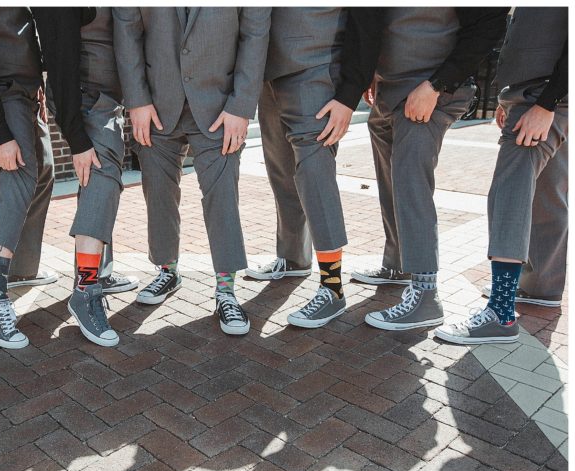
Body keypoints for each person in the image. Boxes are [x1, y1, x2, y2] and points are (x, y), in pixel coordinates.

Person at [113, 8, 271, 336]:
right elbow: (127, 31)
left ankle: (226, 290)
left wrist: (241, 107)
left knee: (222, 195)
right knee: (157, 192)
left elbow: (254, 35)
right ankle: (167, 271)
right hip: (155, 105)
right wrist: (137, 101)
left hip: (220, 108)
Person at [353, 9, 508, 331]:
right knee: (392, 185)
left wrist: (438, 84)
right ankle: (397, 265)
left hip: (429, 94)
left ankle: (426, 297)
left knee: (412, 189)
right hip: (387, 94)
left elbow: (488, 24)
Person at [0, 9, 86, 350]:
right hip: (2, 92)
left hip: (28, 92)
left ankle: (20, 269)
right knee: (19, 175)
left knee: (44, 172)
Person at [437, 8, 568, 344]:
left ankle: (501, 312)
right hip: (536, 94)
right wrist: (508, 97)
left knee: (509, 193)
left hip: (544, 97)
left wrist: (547, 104)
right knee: (546, 192)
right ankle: (541, 287)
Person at [244, 10, 378, 330]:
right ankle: (293, 259)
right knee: (281, 170)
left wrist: (348, 95)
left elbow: (368, 19)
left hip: (316, 68)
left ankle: (332, 288)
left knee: (315, 174)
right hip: (267, 73)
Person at [40, 8, 138, 348]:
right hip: (83, 97)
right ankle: (85, 289)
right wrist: (77, 139)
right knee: (103, 173)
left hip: (109, 99)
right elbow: (58, 58)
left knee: (95, 180)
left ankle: (99, 271)